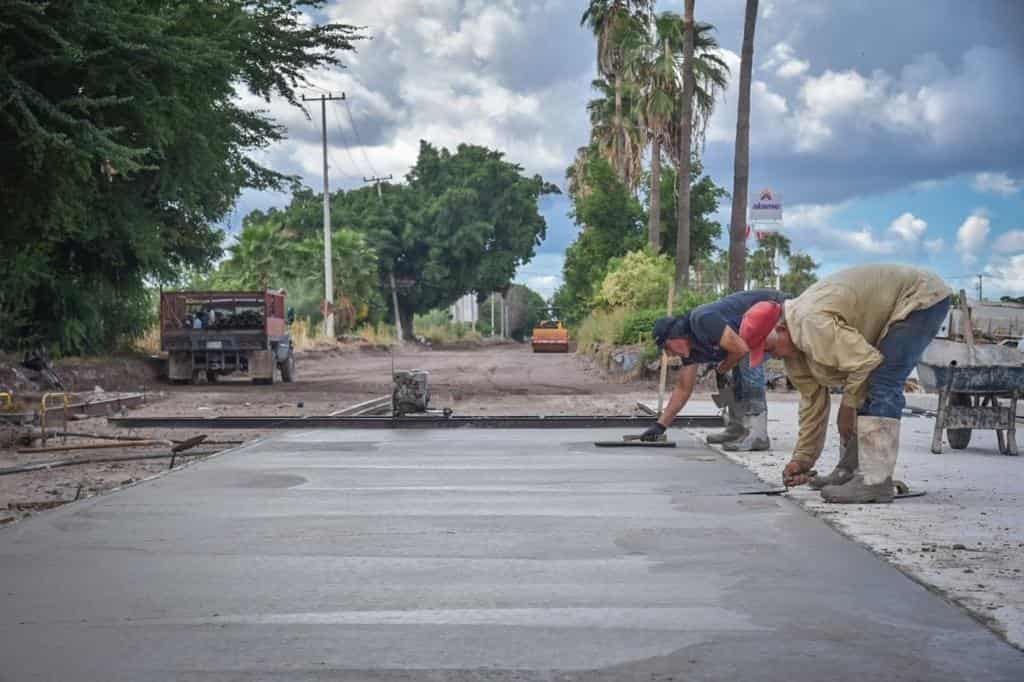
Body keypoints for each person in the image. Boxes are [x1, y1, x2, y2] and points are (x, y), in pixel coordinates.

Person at [739, 264, 952, 503]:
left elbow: (865, 362)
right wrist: (803, 459)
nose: (772, 356)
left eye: (768, 348)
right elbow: (812, 403)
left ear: (780, 328)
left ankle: (875, 482)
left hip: (919, 298)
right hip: (898, 304)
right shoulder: (792, 350)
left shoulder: (811, 322)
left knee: (883, 380)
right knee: (864, 384)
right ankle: (848, 472)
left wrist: (847, 408)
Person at [641, 289, 786, 449]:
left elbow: (741, 349)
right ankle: (737, 429)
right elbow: (683, 389)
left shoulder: (702, 319)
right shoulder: (690, 351)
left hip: (778, 310)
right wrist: (660, 426)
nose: (669, 354)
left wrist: (722, 369)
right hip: (750, 334)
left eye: (667, 348)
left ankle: (758, 435)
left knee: (745, 359)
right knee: (734, 369)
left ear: (675, 335)